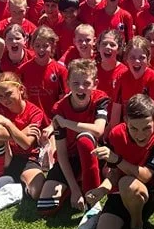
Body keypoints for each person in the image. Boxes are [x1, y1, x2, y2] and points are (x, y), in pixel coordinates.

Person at [90, 94, 154, 229]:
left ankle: (137, 227)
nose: (140, 134)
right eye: (134, 128)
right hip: (120, 190)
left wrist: (117, 159)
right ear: (126, 121)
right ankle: (120, 217)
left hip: (148, 191)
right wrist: (101, 189)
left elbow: (147, 176)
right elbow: (113, 173)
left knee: (128, 184)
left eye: (146, 127)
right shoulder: (116, 134)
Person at [38, 59, 111, 216]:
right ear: (68, 83)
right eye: (76, 83)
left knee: (85, 139)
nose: (81, 88)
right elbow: (62, 154)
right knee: (45, 207)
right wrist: (75, 190)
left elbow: (98, 130)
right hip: (70, 157)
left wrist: (65, 123)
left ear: (95, 83)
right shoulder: (59, 108)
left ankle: (93, 201)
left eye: (86, 83)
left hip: (94, 154)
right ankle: (76, 184)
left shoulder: (100, 99)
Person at [0, 72, 47, 201]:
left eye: (8, 94)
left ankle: (18, 184)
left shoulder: (35, 112)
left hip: (28, 158)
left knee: (37, 191)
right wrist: (22, 132)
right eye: (0, 96)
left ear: (21, 90)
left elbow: (26, 144)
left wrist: (7, 123)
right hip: (8, 155)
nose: (5, 100)